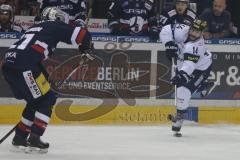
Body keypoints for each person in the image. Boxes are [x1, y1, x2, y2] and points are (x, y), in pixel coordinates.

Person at [1, 7, 93, 153]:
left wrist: (46, 78)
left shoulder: (34, 28)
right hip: (24, 66)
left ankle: (20, 136)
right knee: (47, 99)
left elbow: (31, 56)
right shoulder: (54, 25)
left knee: (35, 101)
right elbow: (83, 35)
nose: (63, 20)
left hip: (9, 65)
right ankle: (35, 137)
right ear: (55, 17)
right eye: (60, 17)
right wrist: (86, 49)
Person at [160, 19, 215, 136]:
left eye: (197, 32)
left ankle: (179, 118)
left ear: (202, 33)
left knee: (183, 90)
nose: (193, 33)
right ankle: (203, 86)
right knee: (182, 88)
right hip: (183, 63)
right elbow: (165, 30)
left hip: (200, 69)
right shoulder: (182, 30)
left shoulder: (197, 46)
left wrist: (181, 75)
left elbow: (189, 66)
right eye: (192, 29)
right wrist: (169, 43)